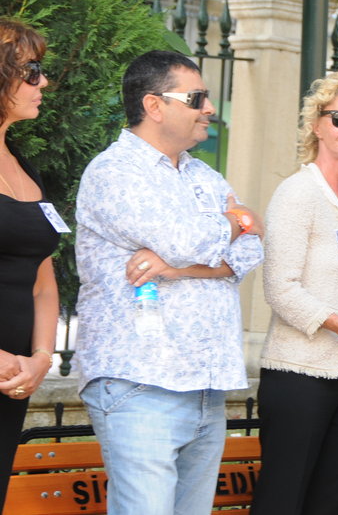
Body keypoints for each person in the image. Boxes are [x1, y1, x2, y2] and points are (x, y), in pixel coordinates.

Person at [74, 50, 264, 515]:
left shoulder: (204, 175)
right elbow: (185, 240)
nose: (209, 108)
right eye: (196, 98)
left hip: (205, 386)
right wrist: (234, 222)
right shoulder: (114, 172)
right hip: (141, 382)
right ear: (154, 105)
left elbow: (252, 250)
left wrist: (178, 268)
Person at [251, 71, 338, 515]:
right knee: (283, 501)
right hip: (298, 375)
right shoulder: (297, 193)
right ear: (316, 125)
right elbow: (279, 288)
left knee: (335, 504)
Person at [0, 17, 60, 511]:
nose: (44, 83)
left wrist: (41, 357)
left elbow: (43, 281)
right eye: (32, 71)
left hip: (13, 380)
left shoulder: (25, 166)